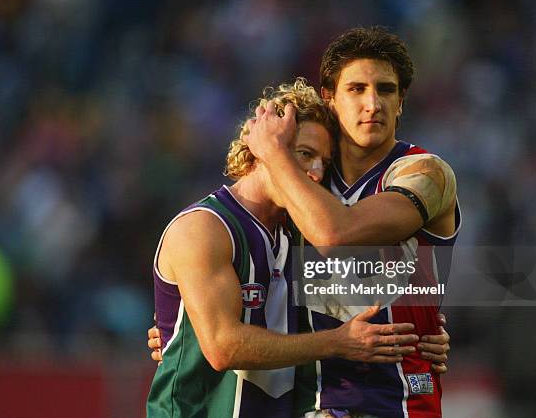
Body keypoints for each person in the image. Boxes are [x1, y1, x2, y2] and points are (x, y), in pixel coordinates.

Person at [146, 79, 423, 418]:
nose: (316, 172)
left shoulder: (299, 235)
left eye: (325, 161)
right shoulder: (204, 227)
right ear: (263, 150)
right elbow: (222, 347)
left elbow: (376, 298)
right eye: (304, 154)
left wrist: (429, 334)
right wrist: (337, 342)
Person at [244, 27, 459, 418]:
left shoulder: (426, 173)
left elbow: (334, 234)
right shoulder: (308, 178)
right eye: (356, 89)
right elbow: (243, 245)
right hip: (313, 406)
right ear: (330, 97)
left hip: (400, 406)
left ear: (402, 101)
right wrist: (186, 322)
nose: (372, 103)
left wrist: (275, 154)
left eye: (386, 90)